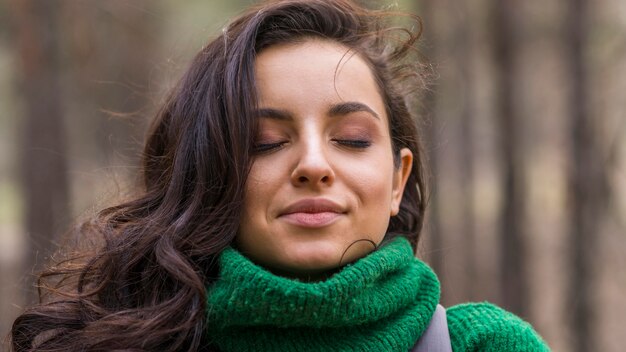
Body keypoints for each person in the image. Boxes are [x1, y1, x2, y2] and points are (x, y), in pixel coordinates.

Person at [11, 0, 550, 351]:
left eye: (353, 139)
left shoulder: (486, 345)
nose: (314, 165)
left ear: (397, 181)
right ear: (208, 175)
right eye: (265, 143)